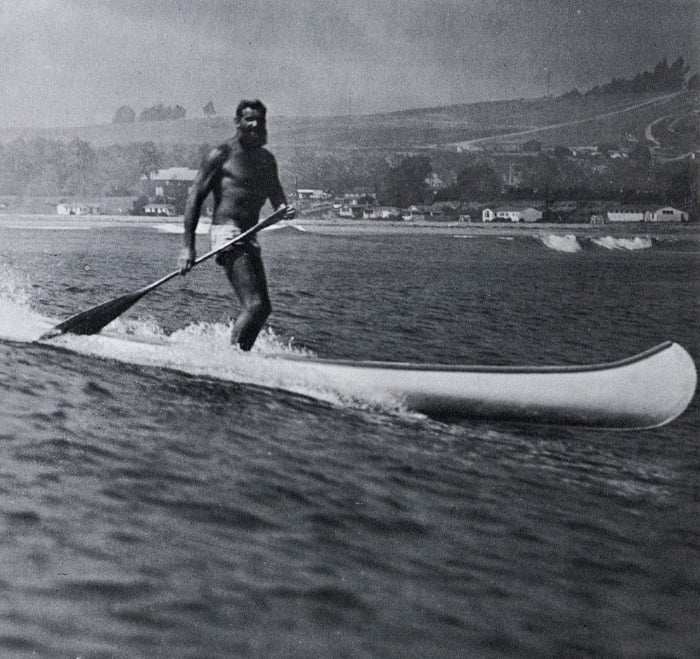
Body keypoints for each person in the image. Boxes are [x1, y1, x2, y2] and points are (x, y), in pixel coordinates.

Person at [178, 99, 295, 350]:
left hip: (249, 235)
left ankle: (238, 353)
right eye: (248, 119)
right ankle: (233, 358)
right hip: (227, 233)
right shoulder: (221, 155)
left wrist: (285, 209)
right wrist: (187, 247)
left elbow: (277, 198)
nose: (254, 125)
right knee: (256, 305)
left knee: (263, 308)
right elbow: (194, 197)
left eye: (259, 120)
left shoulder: (267, 160)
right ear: (237, 123)